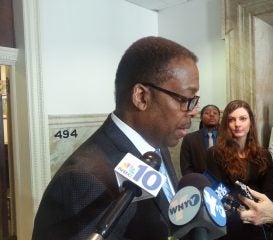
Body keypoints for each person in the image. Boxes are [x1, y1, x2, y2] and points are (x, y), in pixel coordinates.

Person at [32, 36, 200, 240]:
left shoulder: (156, 147)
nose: (193, 111)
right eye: (185, 99)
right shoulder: (84, 179)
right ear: (141, 97)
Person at [205, 100, 273, 240]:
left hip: (259, 221)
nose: (237, 124)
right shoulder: (214, 154)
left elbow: (269, 192)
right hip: (229, 222)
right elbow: (217, 192)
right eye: (232, 120)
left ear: (251, 122)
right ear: (226, 124)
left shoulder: (264, 155)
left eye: (243, 118)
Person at [180, 104, 220, 175]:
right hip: (199, 182)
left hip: (223, 184)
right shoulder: (189, 139)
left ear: (219, 117)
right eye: (207, 113)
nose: (211, 115)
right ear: (201, 117)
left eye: (215, 113)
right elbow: (186, 167)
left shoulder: (227, 138)